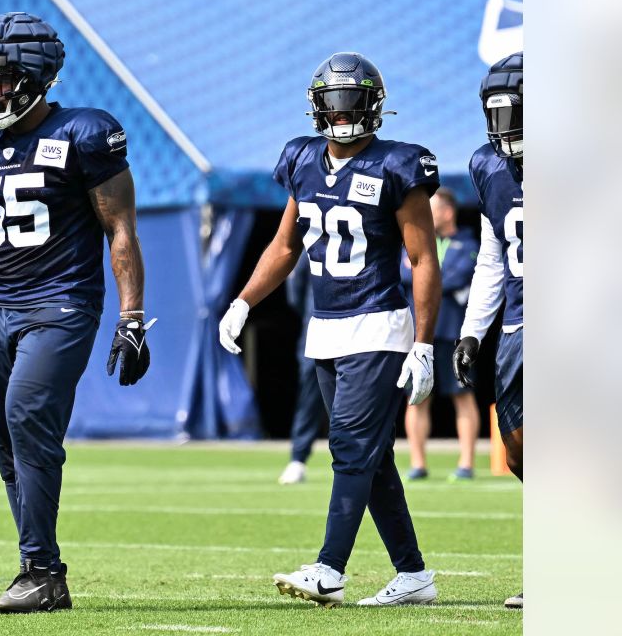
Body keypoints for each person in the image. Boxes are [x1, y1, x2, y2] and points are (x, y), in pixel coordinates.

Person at [0, 12, 153, 614]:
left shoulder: (86, 132)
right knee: (4, 443)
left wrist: (132, 317)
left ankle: (40, 568)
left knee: (27, 418)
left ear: (37, 76)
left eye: (1, 79)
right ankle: (41, 567)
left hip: (63, 302)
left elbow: (119, 229)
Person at [219, 52, 442, 607]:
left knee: (348, 447)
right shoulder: (301, 159)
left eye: (353, 103)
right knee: (372, 458)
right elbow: (286, 244)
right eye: (334, 104)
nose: (343, 115)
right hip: (325, 328)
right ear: (318, 108)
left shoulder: (399, 164)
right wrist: (243, 301)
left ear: (374, 105)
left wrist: (423, 344)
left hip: (378, 325)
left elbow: (424, 258)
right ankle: (413, 575)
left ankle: (330, 569)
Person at [453, 51, 523, 609]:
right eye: (497, 113)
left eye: (516, 110)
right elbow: (492, 258)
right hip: (521, 327)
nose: (506, 127)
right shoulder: (488, 166)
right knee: (521, 452)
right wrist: (473, 332)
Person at [399, 188, 479, 481]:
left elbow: (459, 276)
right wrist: (430, 275)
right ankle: (418, 464)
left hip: (453, 333)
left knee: (462, 396)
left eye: (430, 209)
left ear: (447, 212)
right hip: (418, 335)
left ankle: (466, 464)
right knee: (416, 398)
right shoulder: (416, 240)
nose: (424, 214)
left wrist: (422, 273)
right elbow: (403, 273)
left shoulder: (467, 242)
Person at [277, 258, 326, 485]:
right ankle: (298, 458)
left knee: (357, 400)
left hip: (357, 332)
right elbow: (294, 291)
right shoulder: (310, 238)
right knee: (310, 398)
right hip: (317, 329)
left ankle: (359, 458)